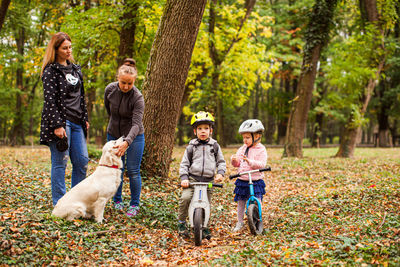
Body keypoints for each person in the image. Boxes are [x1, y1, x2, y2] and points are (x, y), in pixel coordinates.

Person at [40, 32, 90, 206]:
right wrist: (57, 125)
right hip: (61, 122)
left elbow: (81, 96)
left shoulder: (76, 69)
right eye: (64, 48)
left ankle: (75, 202)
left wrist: (85, 117)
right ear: (56, 49)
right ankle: (60, 204)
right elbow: (50, 100)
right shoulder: (50, 71)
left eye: (70, 47)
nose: (69, 51)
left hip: (77, 122)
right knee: (60, 162)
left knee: (82, 161)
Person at [104, 64, 145, 217]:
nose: (126, 86)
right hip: (114, 134)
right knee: (116, 169)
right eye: (123, 82)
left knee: (133, 171)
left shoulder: (138, 98)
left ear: (134, 82)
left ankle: (134, 205)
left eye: (130, 83)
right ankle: (117, 201)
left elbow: (136, 124)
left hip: (135, 136)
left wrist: (127, 142)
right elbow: (109, 110)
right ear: (118, 79)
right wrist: (116, 133)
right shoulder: (110, 90)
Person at [178, 111, 226, 238]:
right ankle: (182, 222)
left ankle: (204, 226)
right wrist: (184, 178)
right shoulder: (191, 147)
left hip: (208, 181)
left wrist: (220, 173)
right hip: (192, 179)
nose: (203, 131)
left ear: (211, 130)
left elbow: (221, 162)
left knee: (206, 203)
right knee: (186, 198)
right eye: (199, 129)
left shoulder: (215, 146)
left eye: (206, 128)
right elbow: (184, 164)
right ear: (195, 131)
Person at [231, 119, 267, 232]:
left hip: (255, 179)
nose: (245, 140)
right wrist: (234, 161)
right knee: (241, 202)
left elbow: (262, 164)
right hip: (243, 179)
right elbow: (237, 165)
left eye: (247, 137)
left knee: (257, 200)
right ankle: (240, 222)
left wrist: (250, 162)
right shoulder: (242, 149)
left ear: (257, 136)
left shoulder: (261, 149)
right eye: (244, 137)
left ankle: (258, 219)